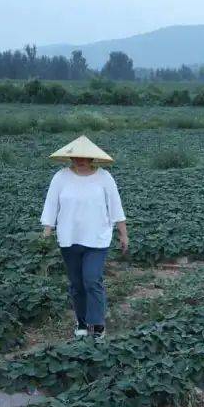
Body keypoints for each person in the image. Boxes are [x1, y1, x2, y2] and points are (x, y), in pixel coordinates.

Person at [40, 135, 128, 340]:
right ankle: (81, 322)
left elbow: (116, 207)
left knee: (91, 280)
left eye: (85, 156)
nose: (80, 160)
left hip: (97, 238)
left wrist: (123, 234)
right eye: (77, 156)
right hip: (69, 238)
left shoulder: (105, 177)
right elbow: (51, 205)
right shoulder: (60, 177)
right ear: (71, 157)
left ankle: (97, 324)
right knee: (76, 284)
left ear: (92, 158)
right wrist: (46, 232)